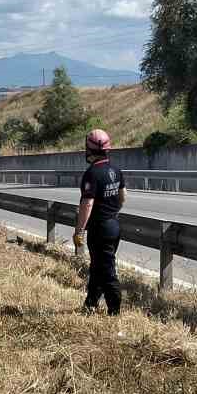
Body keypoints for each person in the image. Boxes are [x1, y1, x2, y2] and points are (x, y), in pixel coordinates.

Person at [73, 129, 125, 315]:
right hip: (114, 225)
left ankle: (115, 310)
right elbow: (122, 197)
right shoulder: (115, 170)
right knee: (97, 266)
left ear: (89, 149)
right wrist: (111, 212)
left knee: (106, 270)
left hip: (99, 229)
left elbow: (87, 204)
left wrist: (79, 231)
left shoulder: (92, 173)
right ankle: (90, 304)